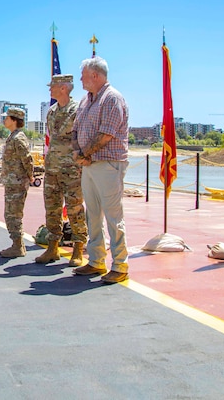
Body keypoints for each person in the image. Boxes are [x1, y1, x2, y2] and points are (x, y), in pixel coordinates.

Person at [71, 56, 130, 284]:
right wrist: (78, 153)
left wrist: (84, 155)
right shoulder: (86, 101)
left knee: (113, 217)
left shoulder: (112, 98)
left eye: (84, 75)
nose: (81, 80)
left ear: (95, 75)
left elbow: (106, 134)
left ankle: (120, 265)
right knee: (92, 215)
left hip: (108, 164)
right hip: (90, 165)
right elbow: (76, 130)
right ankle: (96, 261)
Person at [36, 74, 88, 266]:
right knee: (52, 208)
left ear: (64, 88)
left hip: (71, 169)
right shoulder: (51, 111)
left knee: (74, 208)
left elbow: (82, 137)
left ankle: (78, 249)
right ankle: (52, 248)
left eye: (54, 86)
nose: (50, 89)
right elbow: (50, 138)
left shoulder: (78, 110)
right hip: (52, 169)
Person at [0, 107, 35, 258]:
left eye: (7, 118)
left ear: (14, 120)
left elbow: (27, 159)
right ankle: (17, 244)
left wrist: (30, 176)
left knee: (13, 214)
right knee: (11, 214)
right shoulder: (13, 136)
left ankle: (17, 246)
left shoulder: (18, 138)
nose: (4, 120)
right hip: (13, 181)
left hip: (17, 182)